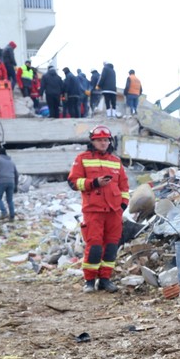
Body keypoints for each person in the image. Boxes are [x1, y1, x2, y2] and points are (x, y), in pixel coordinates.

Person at [68, 125, 129, 293]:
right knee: (94, 246)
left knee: (111, 246)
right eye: (99, 140)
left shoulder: (116, 161)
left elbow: (124, 186)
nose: (103, 143)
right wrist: (94, 183)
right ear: (92, 142)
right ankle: (89, 280)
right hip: (93, 210)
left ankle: (105, 279)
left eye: (106, 140)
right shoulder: (83, 158)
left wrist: (123, 205)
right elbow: (73, 182)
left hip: (114, 211)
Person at [0, 147, 19, 221]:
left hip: (1, 181)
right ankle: (12, 216)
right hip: (11, 182)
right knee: (10, 200)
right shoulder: (11, 162)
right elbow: (16, 174)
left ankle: (4, 212)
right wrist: (16, 185)